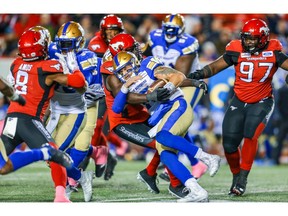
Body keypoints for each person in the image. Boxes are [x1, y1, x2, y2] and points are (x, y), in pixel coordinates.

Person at [188, 18, 288, 196]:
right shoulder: (236, 50)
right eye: (246, 38)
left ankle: (242, 178)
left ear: (263, 38)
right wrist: (198, 74)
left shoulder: (274, 51)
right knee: (229, 144)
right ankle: (236, 175)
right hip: (239, 101)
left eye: (253, 39)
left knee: (250, 134)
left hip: (262, 101)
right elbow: (215, 66)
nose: (248, 42)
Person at [111, 51, 221, 202]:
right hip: (163, 117)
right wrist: (125, 86)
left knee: (162, 137)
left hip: (177, 105)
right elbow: (116, 108)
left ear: (135, 62)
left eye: (127, 68)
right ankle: (197, 191)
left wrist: (166, 89)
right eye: (121, 71)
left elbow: (178, 76)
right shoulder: (127, 84)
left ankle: (207, 157)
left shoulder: (148, 66)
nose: (125, 73)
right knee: (165, 155)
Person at [100, 33, 191, 198]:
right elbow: (124, 97)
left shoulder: (134, 61)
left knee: (168, 137)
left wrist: (190, 81)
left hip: (141, 114)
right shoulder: (111, 70)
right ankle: (176, 184)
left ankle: (149, 173)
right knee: (163, 144)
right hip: (123, 121)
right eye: (131, 49)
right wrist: (150, 97)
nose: (137, 51)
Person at [1, 29, 86, 202]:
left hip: (10, 119)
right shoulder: (48, 68)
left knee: (2, 166)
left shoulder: (16, 64)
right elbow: (80, 84)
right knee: (53, 153)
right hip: (29, 120)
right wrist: (74, 66)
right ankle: (61, 196)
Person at [143, 13, 207, 181]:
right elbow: (147, 58)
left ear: (182, 30)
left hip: (188, 83)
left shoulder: (189, 43)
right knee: (171, 121)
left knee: (179, 119)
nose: (170, 33)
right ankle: (195, 162)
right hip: (166, 82)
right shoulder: (154, 36)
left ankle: (191, 161)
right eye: (167, 30)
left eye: (174, 30)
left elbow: (181, 74)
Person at [46, 21, 97, 202]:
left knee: (55, 153)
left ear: (79, 43)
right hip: (53, 110)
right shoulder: (51, 49)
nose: (63, 48)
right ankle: (81, 176)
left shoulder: (87, 57)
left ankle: (64, 188)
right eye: (61, 43)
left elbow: (84, 85)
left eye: (68, 44)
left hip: (76, 108)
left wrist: (71, 67)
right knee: (45, 152)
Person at [0, 76, 73, 175]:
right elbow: (4, 86)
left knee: (3, 168)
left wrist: (15, 97)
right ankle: (45, 153)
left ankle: (45, 153)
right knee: (3, 168)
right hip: (20, 116)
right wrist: (15, 97)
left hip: (31, 117)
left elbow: (4, 86)